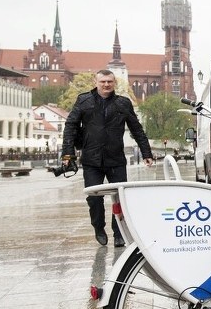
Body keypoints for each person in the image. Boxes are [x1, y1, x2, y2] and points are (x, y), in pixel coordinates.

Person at [61, 69, 154, 247]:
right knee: (94, 198)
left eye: (109, 81)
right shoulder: (84, 100)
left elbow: (137, 129)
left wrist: (146, 153)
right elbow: (70, 126)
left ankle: (118, 232)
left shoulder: (123, 103)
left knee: (120, 198)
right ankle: (98, 227)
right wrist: (67, 154)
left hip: (115, 159)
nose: (106, 85)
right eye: (102, 81)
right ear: (96, 82)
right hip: (91, 160)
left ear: (114, 83)